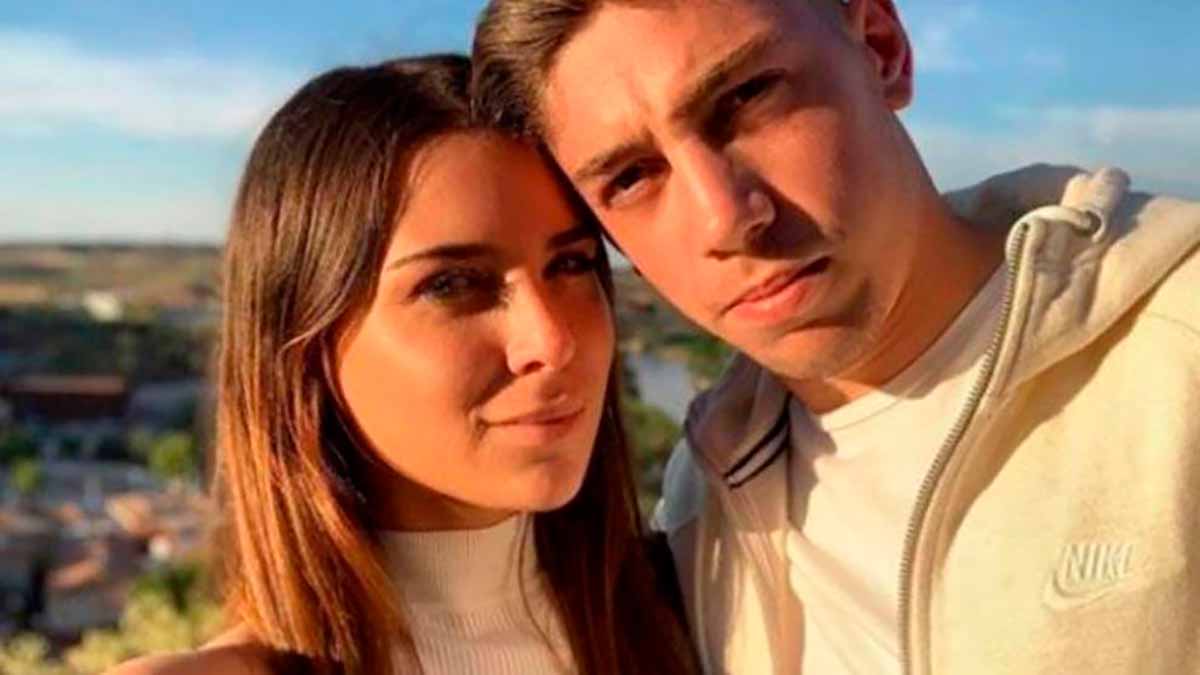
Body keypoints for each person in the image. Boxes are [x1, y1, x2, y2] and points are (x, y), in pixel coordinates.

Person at [470, 1, 1200, 673]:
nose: (725, 217)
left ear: (881, 49)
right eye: (632, 178)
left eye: (748, 97)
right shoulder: (704, 507)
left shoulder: (1179, 351)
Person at [109, 55, 698, 675]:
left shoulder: (706, 604)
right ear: (306, 344)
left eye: (572, 264)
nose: (551, 341)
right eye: (451, 284)